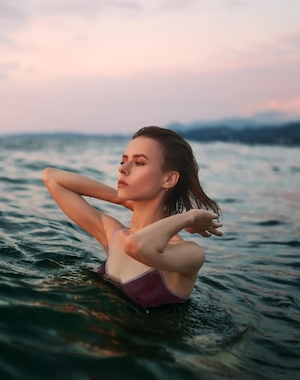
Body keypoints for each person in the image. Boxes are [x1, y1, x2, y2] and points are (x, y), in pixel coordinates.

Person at [43, 126, 223, 309]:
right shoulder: (114, 235)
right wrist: (123, 200)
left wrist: (189, 217)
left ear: (168, 180)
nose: (122, 168)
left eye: (139, 163)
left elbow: (137, 245)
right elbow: (52, 177)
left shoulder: (191, 254)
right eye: (123, 160)